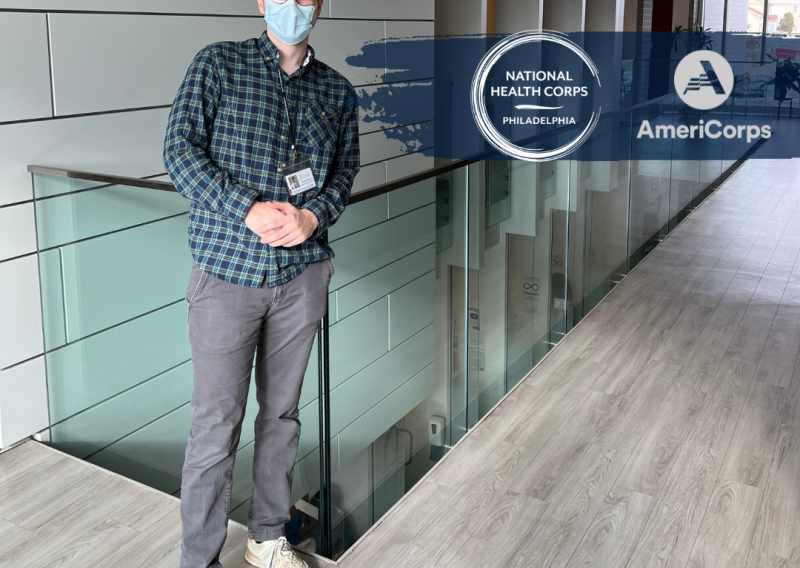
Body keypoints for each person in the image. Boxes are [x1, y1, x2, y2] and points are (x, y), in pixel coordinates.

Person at [163, 0, 360, 566]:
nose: (294, 5)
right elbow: (179, 153)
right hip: (227, 273)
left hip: (301, 276)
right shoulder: (218, 65)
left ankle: (266, 537)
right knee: (215, 424)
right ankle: (198, 557)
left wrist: (313, 216)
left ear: (319, 6)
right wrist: (245, 208)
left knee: (282, 415)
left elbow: (344, 173)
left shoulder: (337, 91)